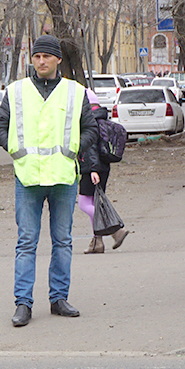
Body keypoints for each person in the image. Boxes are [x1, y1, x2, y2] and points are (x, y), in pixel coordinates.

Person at [0, 34, 100, 327]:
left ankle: (59, 298)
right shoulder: (16, 91)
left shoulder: (74, 92)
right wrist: (14, 149)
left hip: (63, 177)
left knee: (62, 241)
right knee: (26, 242)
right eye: (37, 56)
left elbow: (91, 129)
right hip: (28, 177)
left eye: (46, 56)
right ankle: (23, 304)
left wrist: (75, 149)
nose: (41, 61)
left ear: (57, 60)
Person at [77, 90, 129, 254]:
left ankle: (115, 231)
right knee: (94, 202)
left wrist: (92, 170)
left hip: (92, 168)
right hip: (103, 167)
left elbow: (90, 147)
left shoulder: (88, 122)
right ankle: (97, 243)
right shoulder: (101, 119)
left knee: (85, 203)